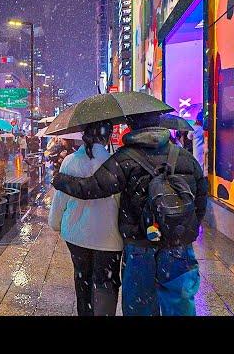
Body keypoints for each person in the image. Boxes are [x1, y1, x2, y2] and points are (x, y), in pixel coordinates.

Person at [52, 112, 208, 316]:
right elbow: (201, 198)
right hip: (178, 242)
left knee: (140, 305)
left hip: (141, 243)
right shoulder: (185, 157)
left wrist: (60, 180)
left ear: (131, 126)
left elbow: (92, 187)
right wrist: (181, 228)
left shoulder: (125, 158)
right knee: (179, 302)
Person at [48, 121, 122, 316]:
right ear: (106, 137)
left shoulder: (70, 161)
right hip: (108, 238)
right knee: (105, 284)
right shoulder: (114, 163)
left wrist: (55, 223)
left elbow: (60, 199)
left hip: (76, 235)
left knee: (83, 280)